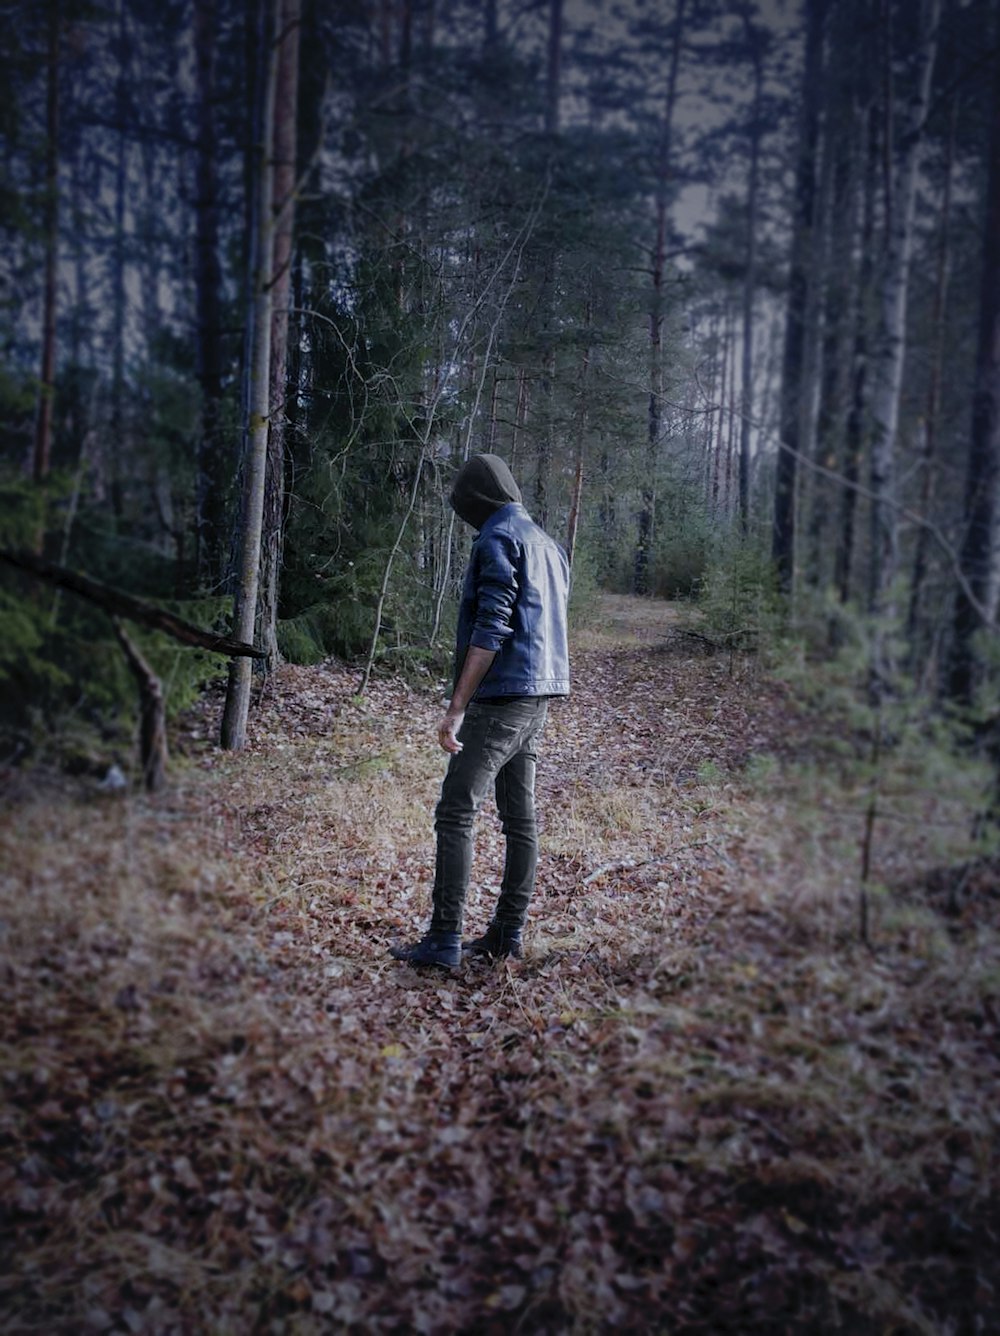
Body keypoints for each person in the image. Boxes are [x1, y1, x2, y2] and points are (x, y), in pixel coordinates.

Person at [390, 454, 570, 969]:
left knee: (456, 811)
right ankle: (506, 934)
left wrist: (456, 708)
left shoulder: (498, 539)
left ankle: (444, 940)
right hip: (539, 695)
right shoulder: (549, 545)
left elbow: (491, 628)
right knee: (520, 818)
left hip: (502, 697)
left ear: (477, 502)